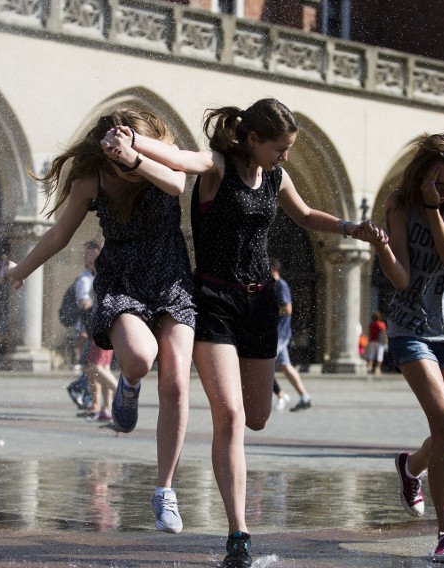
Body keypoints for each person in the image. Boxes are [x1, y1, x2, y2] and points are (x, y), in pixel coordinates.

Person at [131, 98, 381, 567]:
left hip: (260, 302)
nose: (285, 156)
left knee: (258, 416)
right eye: (280, 148)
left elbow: (305, 216)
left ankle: (237, 524)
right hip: (214, 301)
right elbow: (182, 159)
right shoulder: (217, 167)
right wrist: (133, 143)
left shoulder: (276, 178)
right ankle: (238, 534)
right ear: (253, 139)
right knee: (230, 414)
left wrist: (352, 228)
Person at [2, 109, 196, 534]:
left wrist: (135, 155)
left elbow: (178, 182)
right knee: (141, 358)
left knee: (178, 382)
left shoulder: (162, 161)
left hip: (172, 277)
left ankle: (165, 490)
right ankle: (128, 383)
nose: (121, 166)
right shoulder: (93, 181)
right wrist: (21, 271)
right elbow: (59, 234)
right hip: (122, 278)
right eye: (114, 158)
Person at [366, 131, 444, 564]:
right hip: (411, 326)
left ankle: (411, 467)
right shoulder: (399, 202)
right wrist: (382, 247)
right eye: (443, 182)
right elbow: (403, 279)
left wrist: (437, 208)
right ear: (426, 170)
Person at [270, 258, 312, 411]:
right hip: (279, 333)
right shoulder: (275, 285)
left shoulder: (280, 285)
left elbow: (287, 309)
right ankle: (304, 397)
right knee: (285, 366)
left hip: (280, 333)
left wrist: (270, 313)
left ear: (273, 268)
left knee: (264, 365)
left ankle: (280, 395)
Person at [66, 240, 102, 409]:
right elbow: (83, 304)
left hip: (96, 328)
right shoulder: (85, 279)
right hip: (90, 329)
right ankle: (81, 391)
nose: (87, 258)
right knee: (93, 366)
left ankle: (88, 398)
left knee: (95, 366)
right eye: (87, 255)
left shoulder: (96, 276)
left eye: (90, 254)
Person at [365, 311, 388, 376]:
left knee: (371, 355)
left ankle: (369, 367)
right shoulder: (382, 324)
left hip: (372, 341)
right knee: (380, 355)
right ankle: (377, 369)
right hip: (380, 342)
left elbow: (370, 333)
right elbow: (384, 334)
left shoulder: (371, 324)